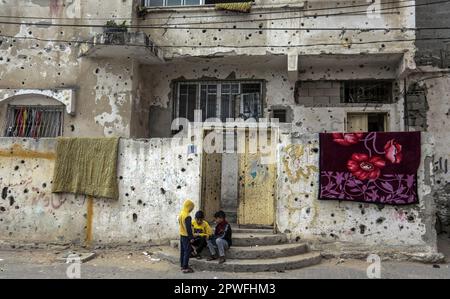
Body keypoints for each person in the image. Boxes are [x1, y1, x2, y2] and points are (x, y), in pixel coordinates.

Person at [178, 199, 195, 274]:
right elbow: (188, 228)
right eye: (191, 208)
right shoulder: (187, 216)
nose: (191, 210)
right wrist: (191, 238)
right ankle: (185, 267)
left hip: (181, 234)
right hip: (186, 235)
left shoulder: (181, 213)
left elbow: (180, 223)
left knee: (182, 251)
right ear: (189, 207)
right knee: (187, 251)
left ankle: (182, 265)